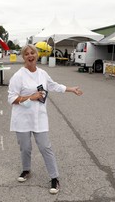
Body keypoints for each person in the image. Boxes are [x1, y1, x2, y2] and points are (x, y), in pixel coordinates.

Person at [8, 44, 83, 194]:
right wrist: (31, 97)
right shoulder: (18, 76)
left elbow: (53, 86)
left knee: (45, 147)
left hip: (39, 117)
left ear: (37, 55)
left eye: (33, 53)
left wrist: (70, 89)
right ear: (23, 57)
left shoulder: (42, 73)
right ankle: (26, 170)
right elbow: (11, 98)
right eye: (27, 54)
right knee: (25, 148)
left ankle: (54, 178)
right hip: (22, 119)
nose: (30, 56)